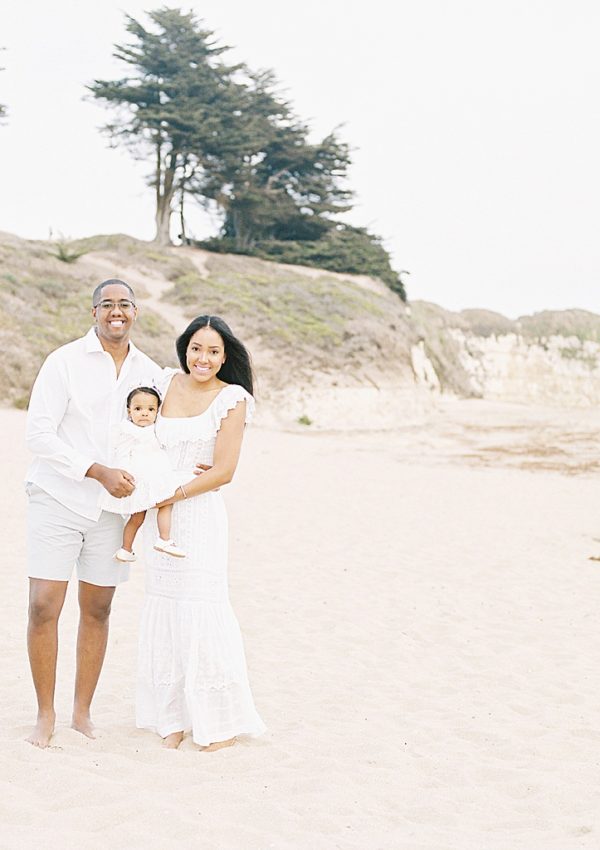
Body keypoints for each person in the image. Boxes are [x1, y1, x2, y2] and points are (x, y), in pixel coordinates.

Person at [25, 280, 164, 748]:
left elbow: (163, 432)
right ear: (93, 312)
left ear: (136, 312)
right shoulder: (63, 362)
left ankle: (81, 713)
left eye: (124, 304)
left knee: (98, 608)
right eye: (107, 304)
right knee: (43, 604)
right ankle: (45, 714)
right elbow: (39, 434)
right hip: (58, 496)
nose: (116, 311)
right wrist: (95, 470)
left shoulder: (150, 371)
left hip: (113, 510)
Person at [135, 315, 266, 750]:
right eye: (196, 348)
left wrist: (175, 490)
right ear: (184, 349)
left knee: (201, 607)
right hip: (160, 514)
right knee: (165, 609)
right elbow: (137, 427)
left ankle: (216, 724)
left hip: (199, 514)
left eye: (213, 351)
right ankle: (171, 719)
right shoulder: (165, 381)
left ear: (226, 356)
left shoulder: (232, 398)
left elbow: (226, 471)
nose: (203, 358)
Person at [98, 386, 186, 561]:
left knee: (150, 510)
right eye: (138, 409)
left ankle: (140, 545)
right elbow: (120, 451)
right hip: (145, 475)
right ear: (129, 411)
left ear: (157, 411)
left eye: (150, 409)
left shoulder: (157, 428)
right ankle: (154, 541)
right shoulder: (128, 429)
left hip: (151, 474)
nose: (144, 414)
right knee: (156, 507)